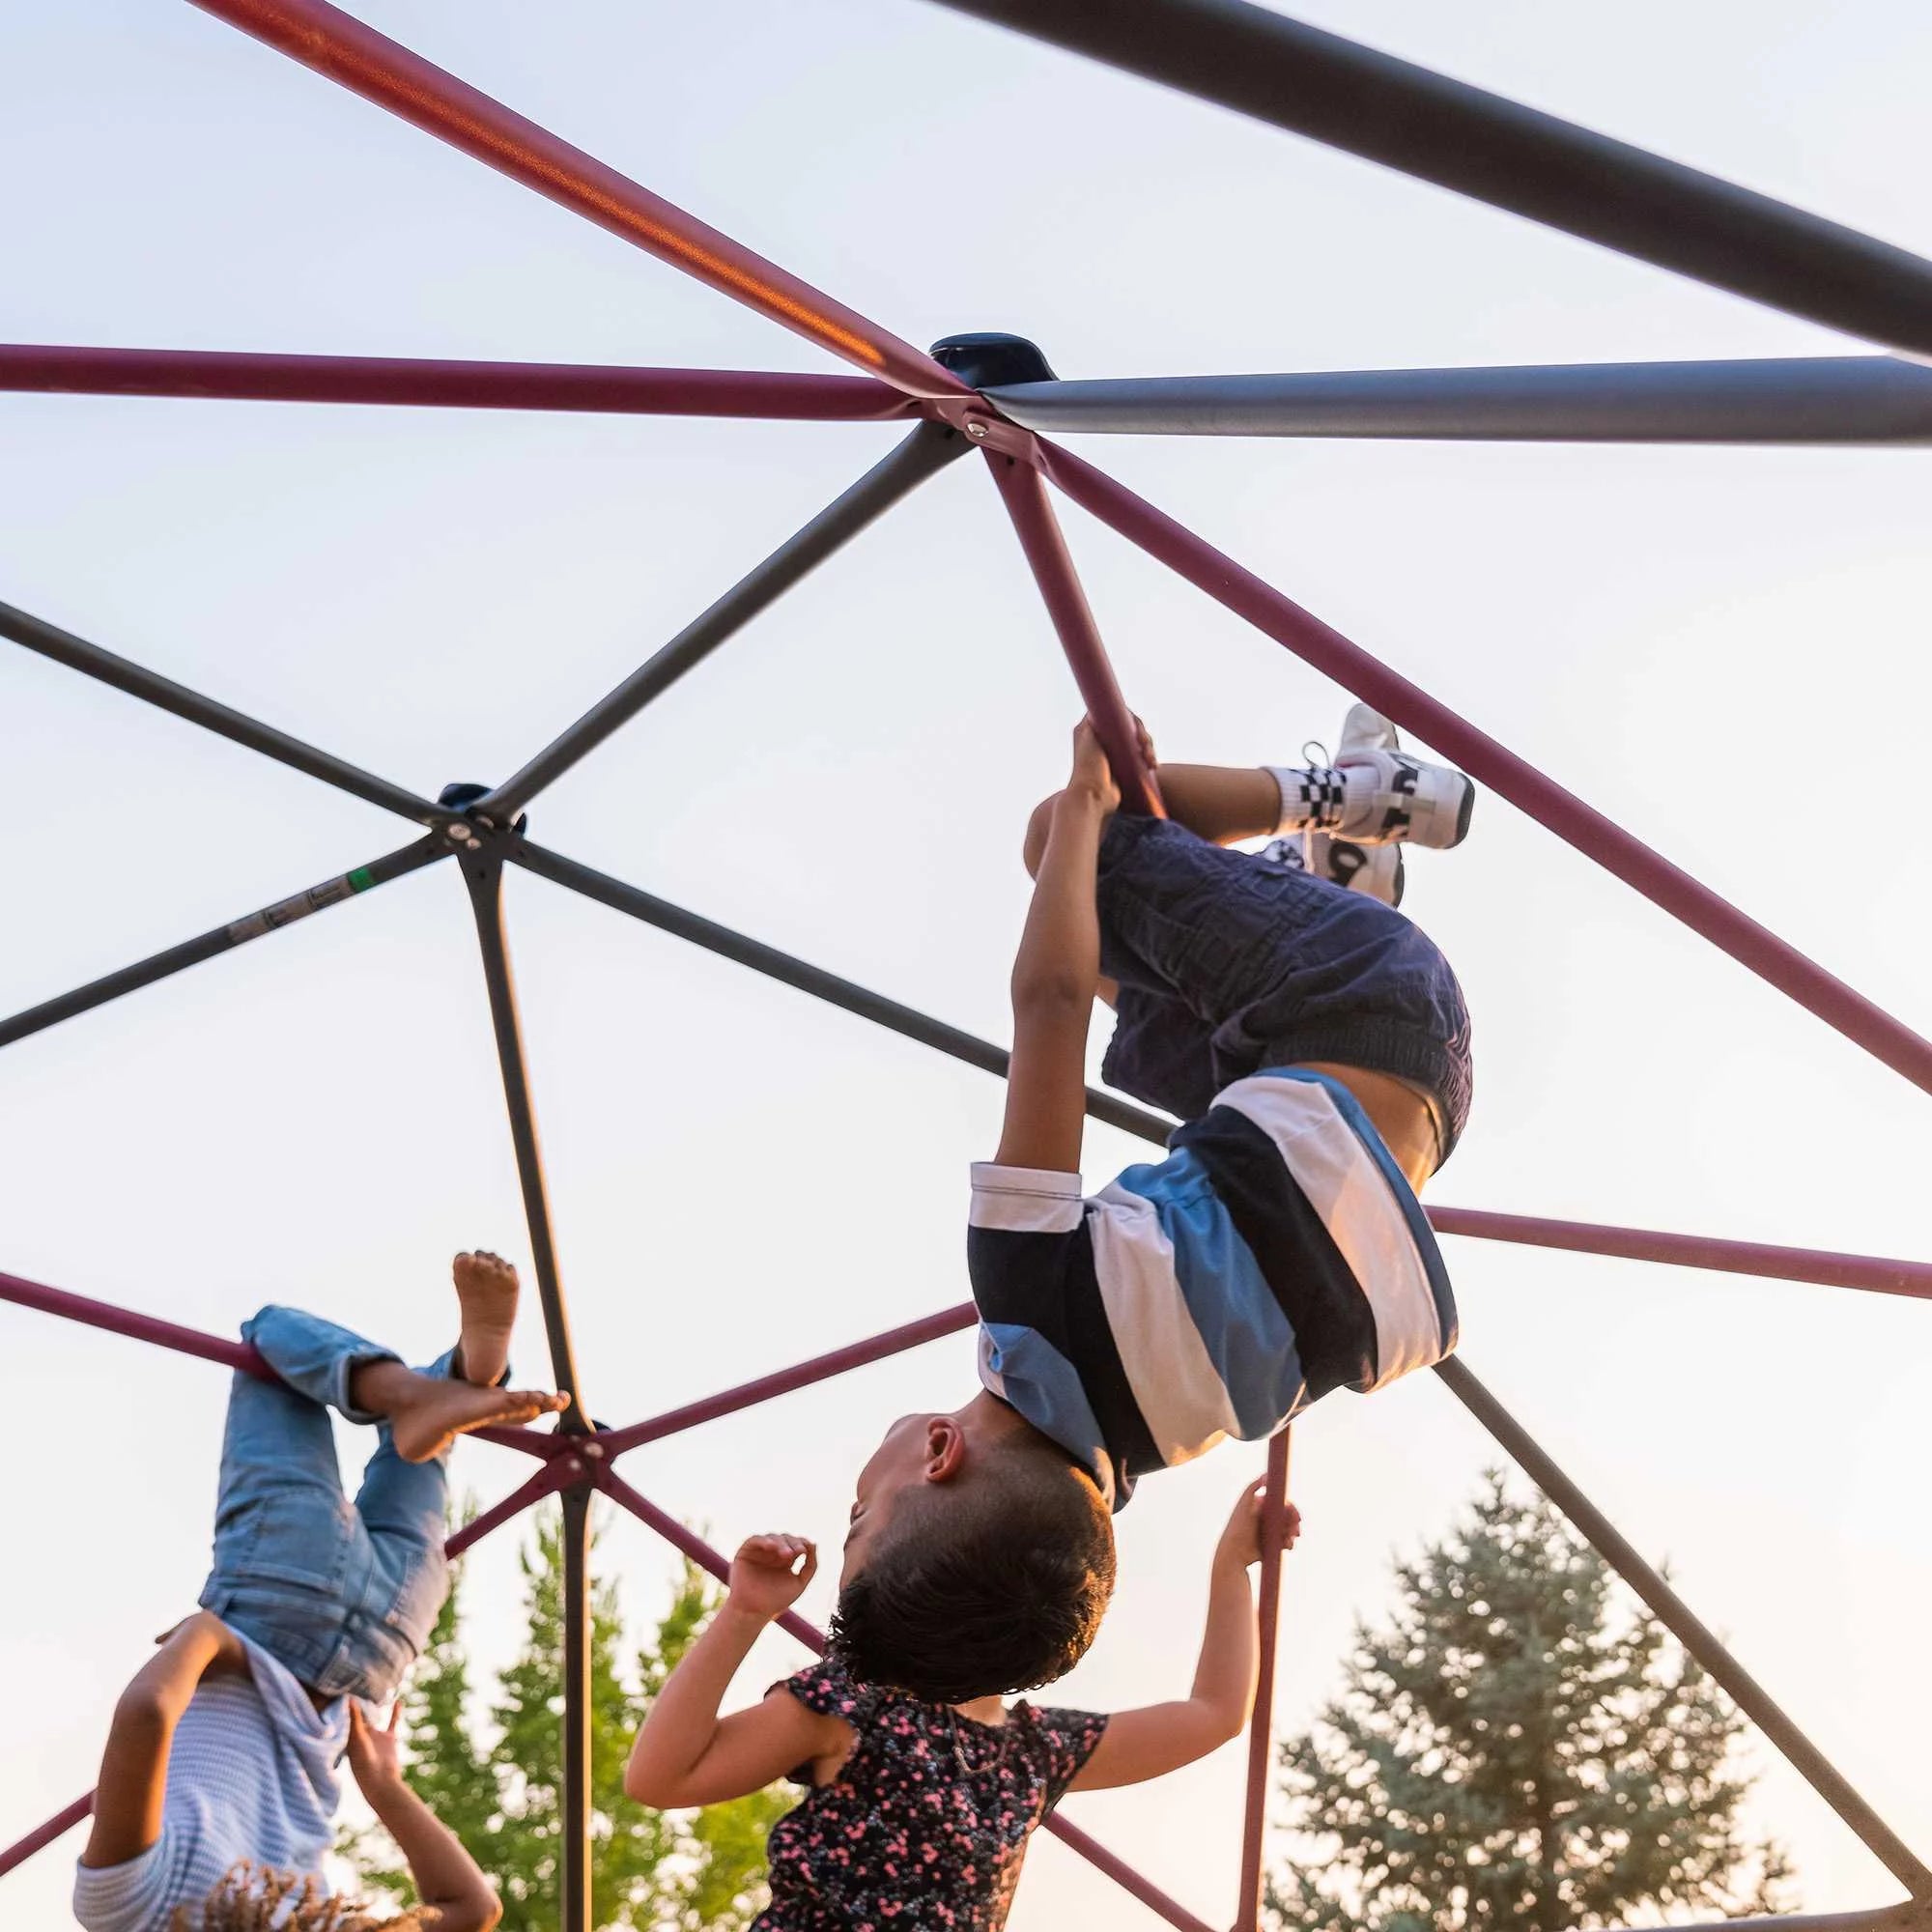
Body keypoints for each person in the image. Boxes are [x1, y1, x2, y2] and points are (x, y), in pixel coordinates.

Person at [826, 703, 1474, 1707]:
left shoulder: (1157, 1438)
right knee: (1062, 848)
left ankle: (1321, 884)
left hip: (1409, 1105)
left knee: (1140, 1005)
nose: (854, 1498)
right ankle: (1352, 797)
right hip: (1349, 988)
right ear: (938, 1455)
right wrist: (1088, 798)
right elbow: (1047, 1003)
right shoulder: (1021, 1298)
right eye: (858, 1516)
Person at [73, 1252, 567, 1932]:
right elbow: (148, 1712)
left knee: (421, 1453)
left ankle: (457, 1384)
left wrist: (386, 1787)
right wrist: (207, 1636)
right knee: (270, 1342)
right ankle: (408, 1393)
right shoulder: (134, 1913)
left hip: (379, 1653)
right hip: (276, 1603)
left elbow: (472, 1911)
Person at [625, 1477, 1298, 1932]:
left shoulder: (1034, 1750)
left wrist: (1231, 1567)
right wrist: (745, 1613)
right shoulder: (856, 1703)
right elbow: (660, 1777)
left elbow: (1213, 1714)